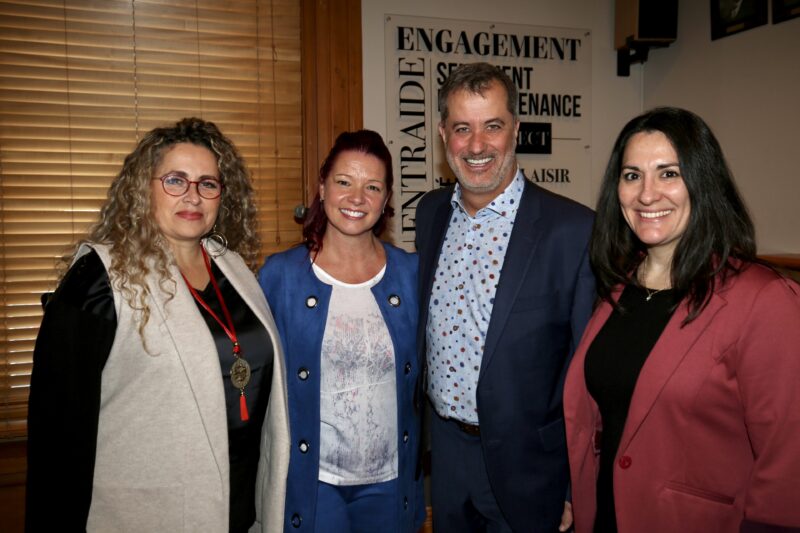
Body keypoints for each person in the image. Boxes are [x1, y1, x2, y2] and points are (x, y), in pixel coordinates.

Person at [25, 117, 290, 532]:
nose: (193, 196)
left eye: (208, 183)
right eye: (175, 180)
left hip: (241, 512)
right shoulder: (98, 278)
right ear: (142, 188)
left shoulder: (233, 268)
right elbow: (58, 439)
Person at [563, 107, 800, 532]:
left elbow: (789, 464)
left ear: (703, 182)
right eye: (632, 175)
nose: (647, 194)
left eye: (668, 173)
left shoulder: (763, 301)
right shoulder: (617, 290)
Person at [416, 62, 595, 532]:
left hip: (531, 469)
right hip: (446, 458)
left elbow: (585, 374)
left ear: (515, 128)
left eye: (492, 126)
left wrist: (577, 487)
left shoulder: (572, 231)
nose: (476, 146)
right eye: (462, 128)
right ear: (442, 134)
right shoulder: (431, 214)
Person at [258, 130, 425, 532]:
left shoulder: (411, 274)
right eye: (344, 182)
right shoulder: (280, 276)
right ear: (322, 187)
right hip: (314, 482)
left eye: (372, 187)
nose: (356, 198)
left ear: (385, 201)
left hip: (390, 482)